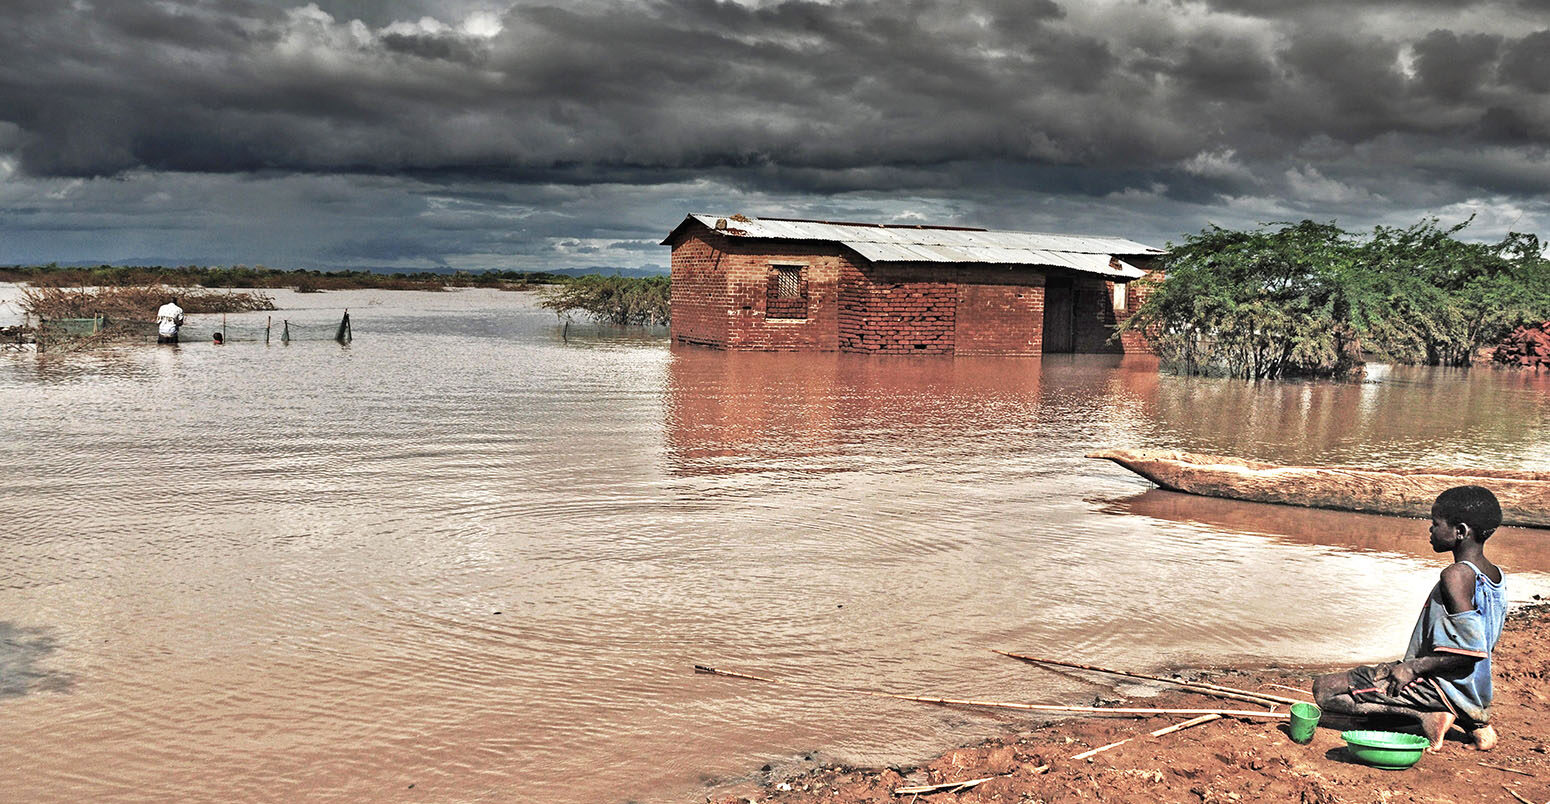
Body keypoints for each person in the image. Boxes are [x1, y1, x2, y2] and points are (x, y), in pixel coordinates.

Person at [1313, 485, 1506, 751]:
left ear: (1460, 531)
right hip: (1473, 692)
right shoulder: (1494, 576)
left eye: (1435, 523)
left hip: (1437, 685)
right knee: (1367, 684)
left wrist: (1412, 668)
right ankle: (1476, 723)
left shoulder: (1456, 576)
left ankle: (1425, 714)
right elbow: (1483, 645)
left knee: (1324, 690)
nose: (1430, 530)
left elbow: (1471, 652)